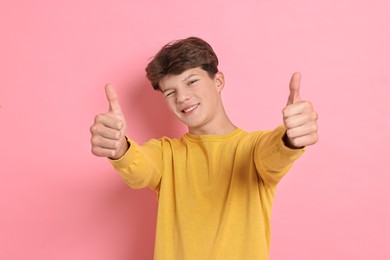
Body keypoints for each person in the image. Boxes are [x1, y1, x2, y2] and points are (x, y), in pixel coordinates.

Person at [90, 37, 318, 260]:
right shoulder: (165, 154)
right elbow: (139, 168)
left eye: (191, 82)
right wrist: (119, 147)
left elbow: (274, 154)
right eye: (170, 92)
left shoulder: (253, 149)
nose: (182, 97)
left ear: (218, 81)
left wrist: (291, 138)